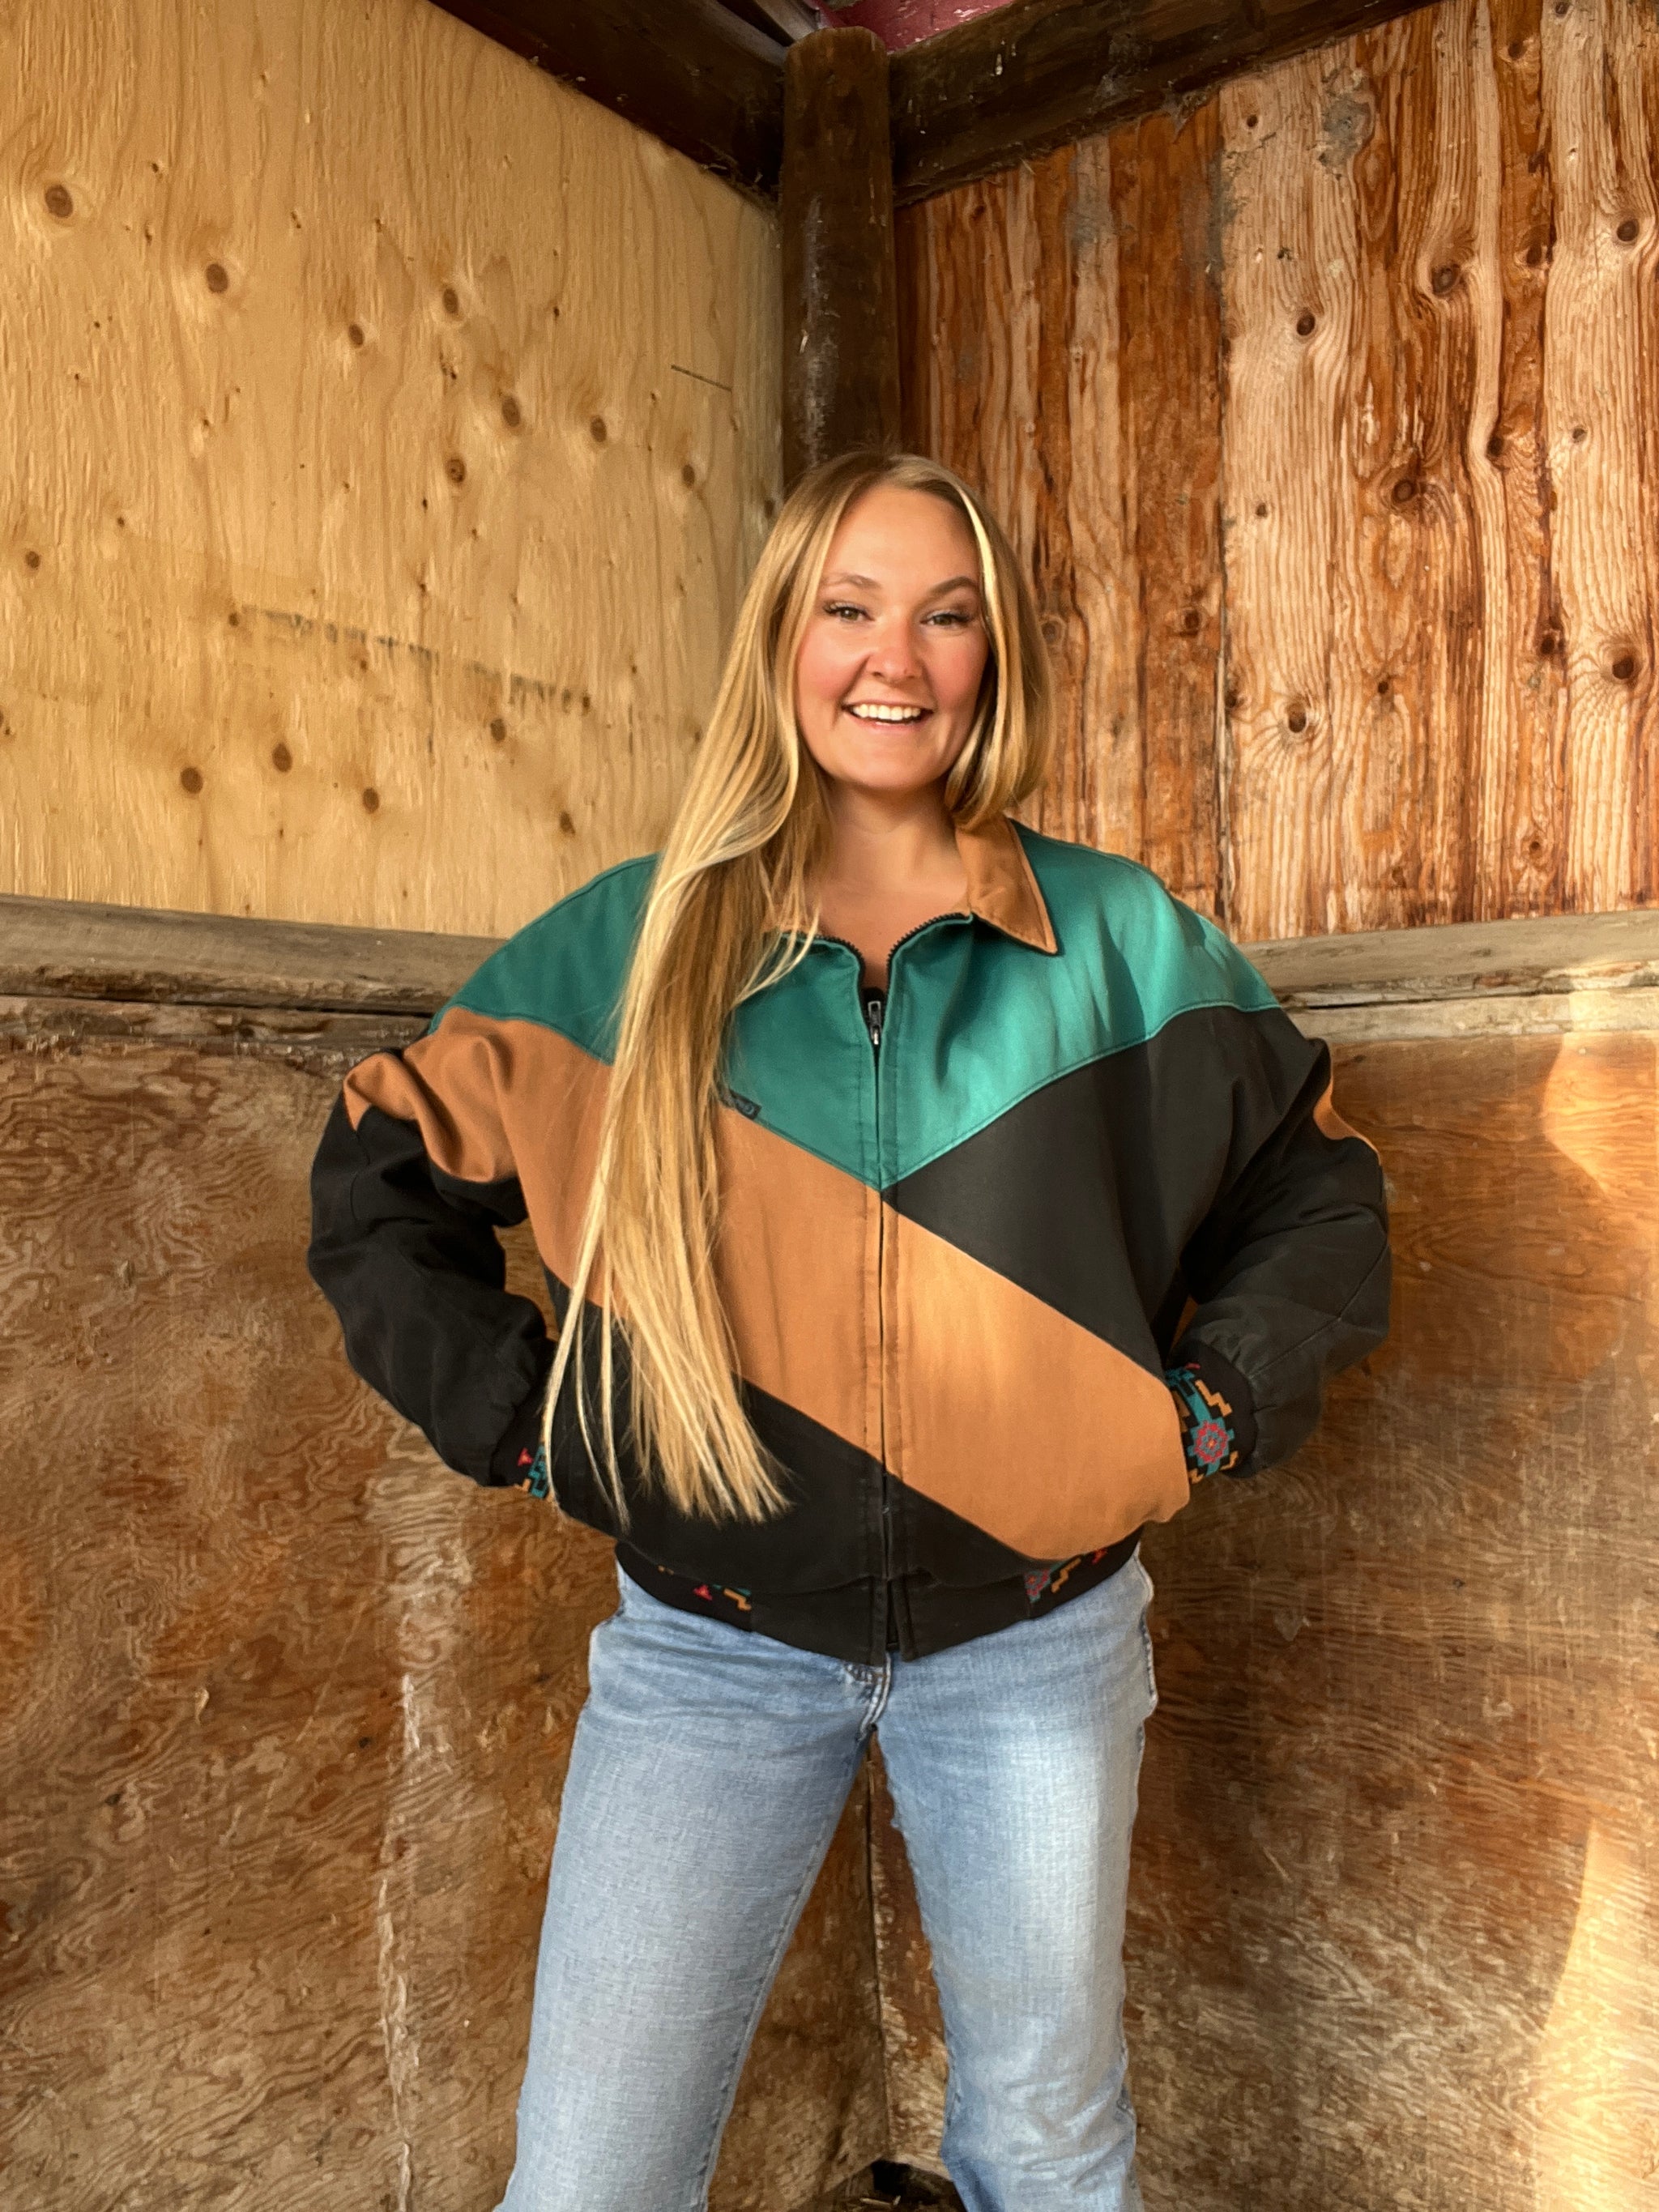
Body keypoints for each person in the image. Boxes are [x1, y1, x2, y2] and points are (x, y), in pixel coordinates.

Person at [307, 450, 1390, 2212]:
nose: (898, 657)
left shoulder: (1123, 943)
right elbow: (378, 1178)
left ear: (993, 653)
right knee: (588, 2178)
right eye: (851, 607)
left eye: (947, 615)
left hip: (1036, 1648)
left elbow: (1318, 1193)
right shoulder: (626, 947)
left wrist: (1196, 1414)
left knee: (1048, 2155)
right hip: (707, 1652)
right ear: (782, 639)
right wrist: (533, 1424)